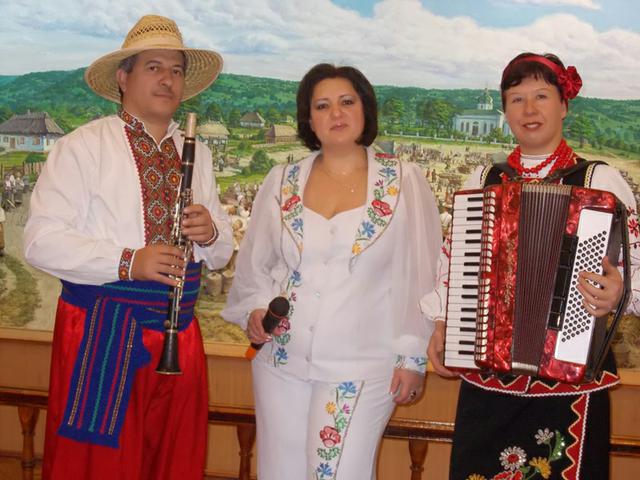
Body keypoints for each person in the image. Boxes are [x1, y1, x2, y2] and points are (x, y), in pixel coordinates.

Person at [23, 15, 233, 479]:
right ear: (123, 78)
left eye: (176, 70)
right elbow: (40, 242)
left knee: (173, 462)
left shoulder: (198, 153)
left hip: (179, 333)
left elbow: (220, 254)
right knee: (98, 468)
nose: (168, 80)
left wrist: (212, 234)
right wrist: (127, 262)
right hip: (103, 332)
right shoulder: (82, 147)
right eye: (154, 67)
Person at [423, 52, 640, 480]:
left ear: (564, 105)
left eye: (541, 96)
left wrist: (619, 293)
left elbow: (634, 270)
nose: (529, 109)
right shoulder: (482, 180)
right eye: (517, 99)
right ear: (505, 111)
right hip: (487, 380)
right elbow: (453, 267)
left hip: (571, 380)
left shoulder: (600, 181)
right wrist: (443, 323)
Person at [222, 63, 442, 479]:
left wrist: (412, 356)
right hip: (281, 362)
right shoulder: (281, 180)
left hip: (361, 366)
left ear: (365, 109)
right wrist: (255, 308)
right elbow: (256, 266)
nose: (335, 113)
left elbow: (420, 274)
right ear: (308, 119)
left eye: (346, 102)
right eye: (322, 106)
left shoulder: (404, 182)